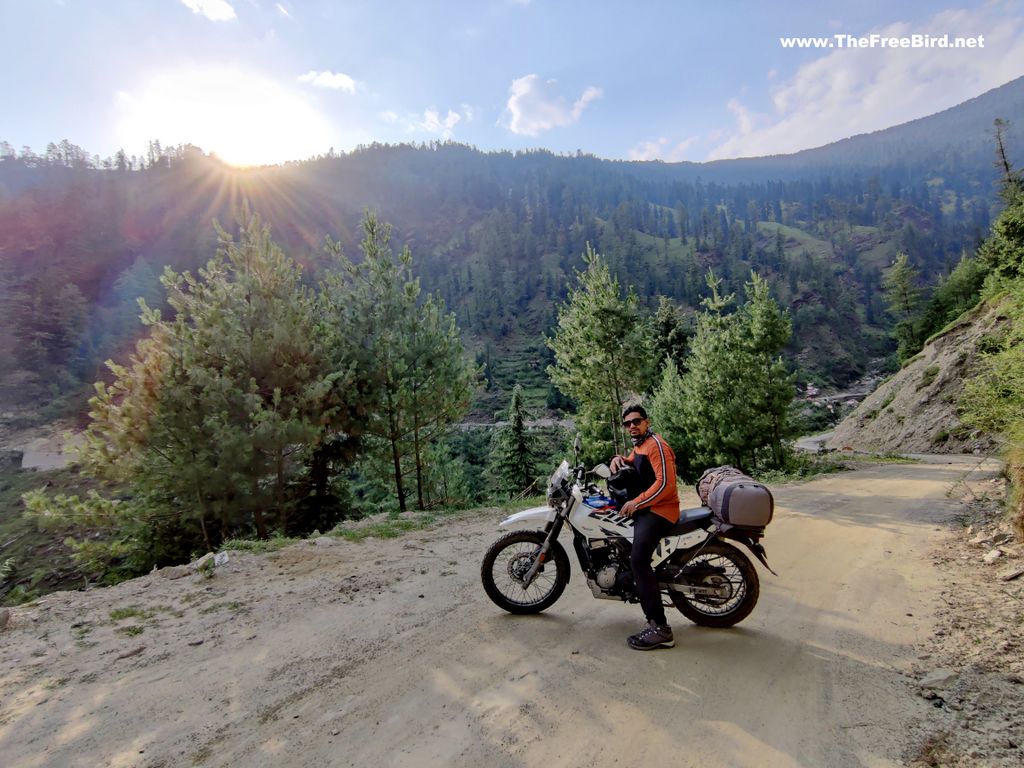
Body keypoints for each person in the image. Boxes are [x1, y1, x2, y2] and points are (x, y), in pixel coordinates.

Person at [609, 404, 680, 650]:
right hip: (647, 508)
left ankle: (660, 628)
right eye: (627, 423)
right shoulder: (641, 445)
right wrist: (619, 459)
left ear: (647, 422)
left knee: (638, 559)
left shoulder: (657, 446)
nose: (632, 426)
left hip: (660, 511)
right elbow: (636, 463)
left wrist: (635, 502)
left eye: (636, 421)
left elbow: (666, 485)